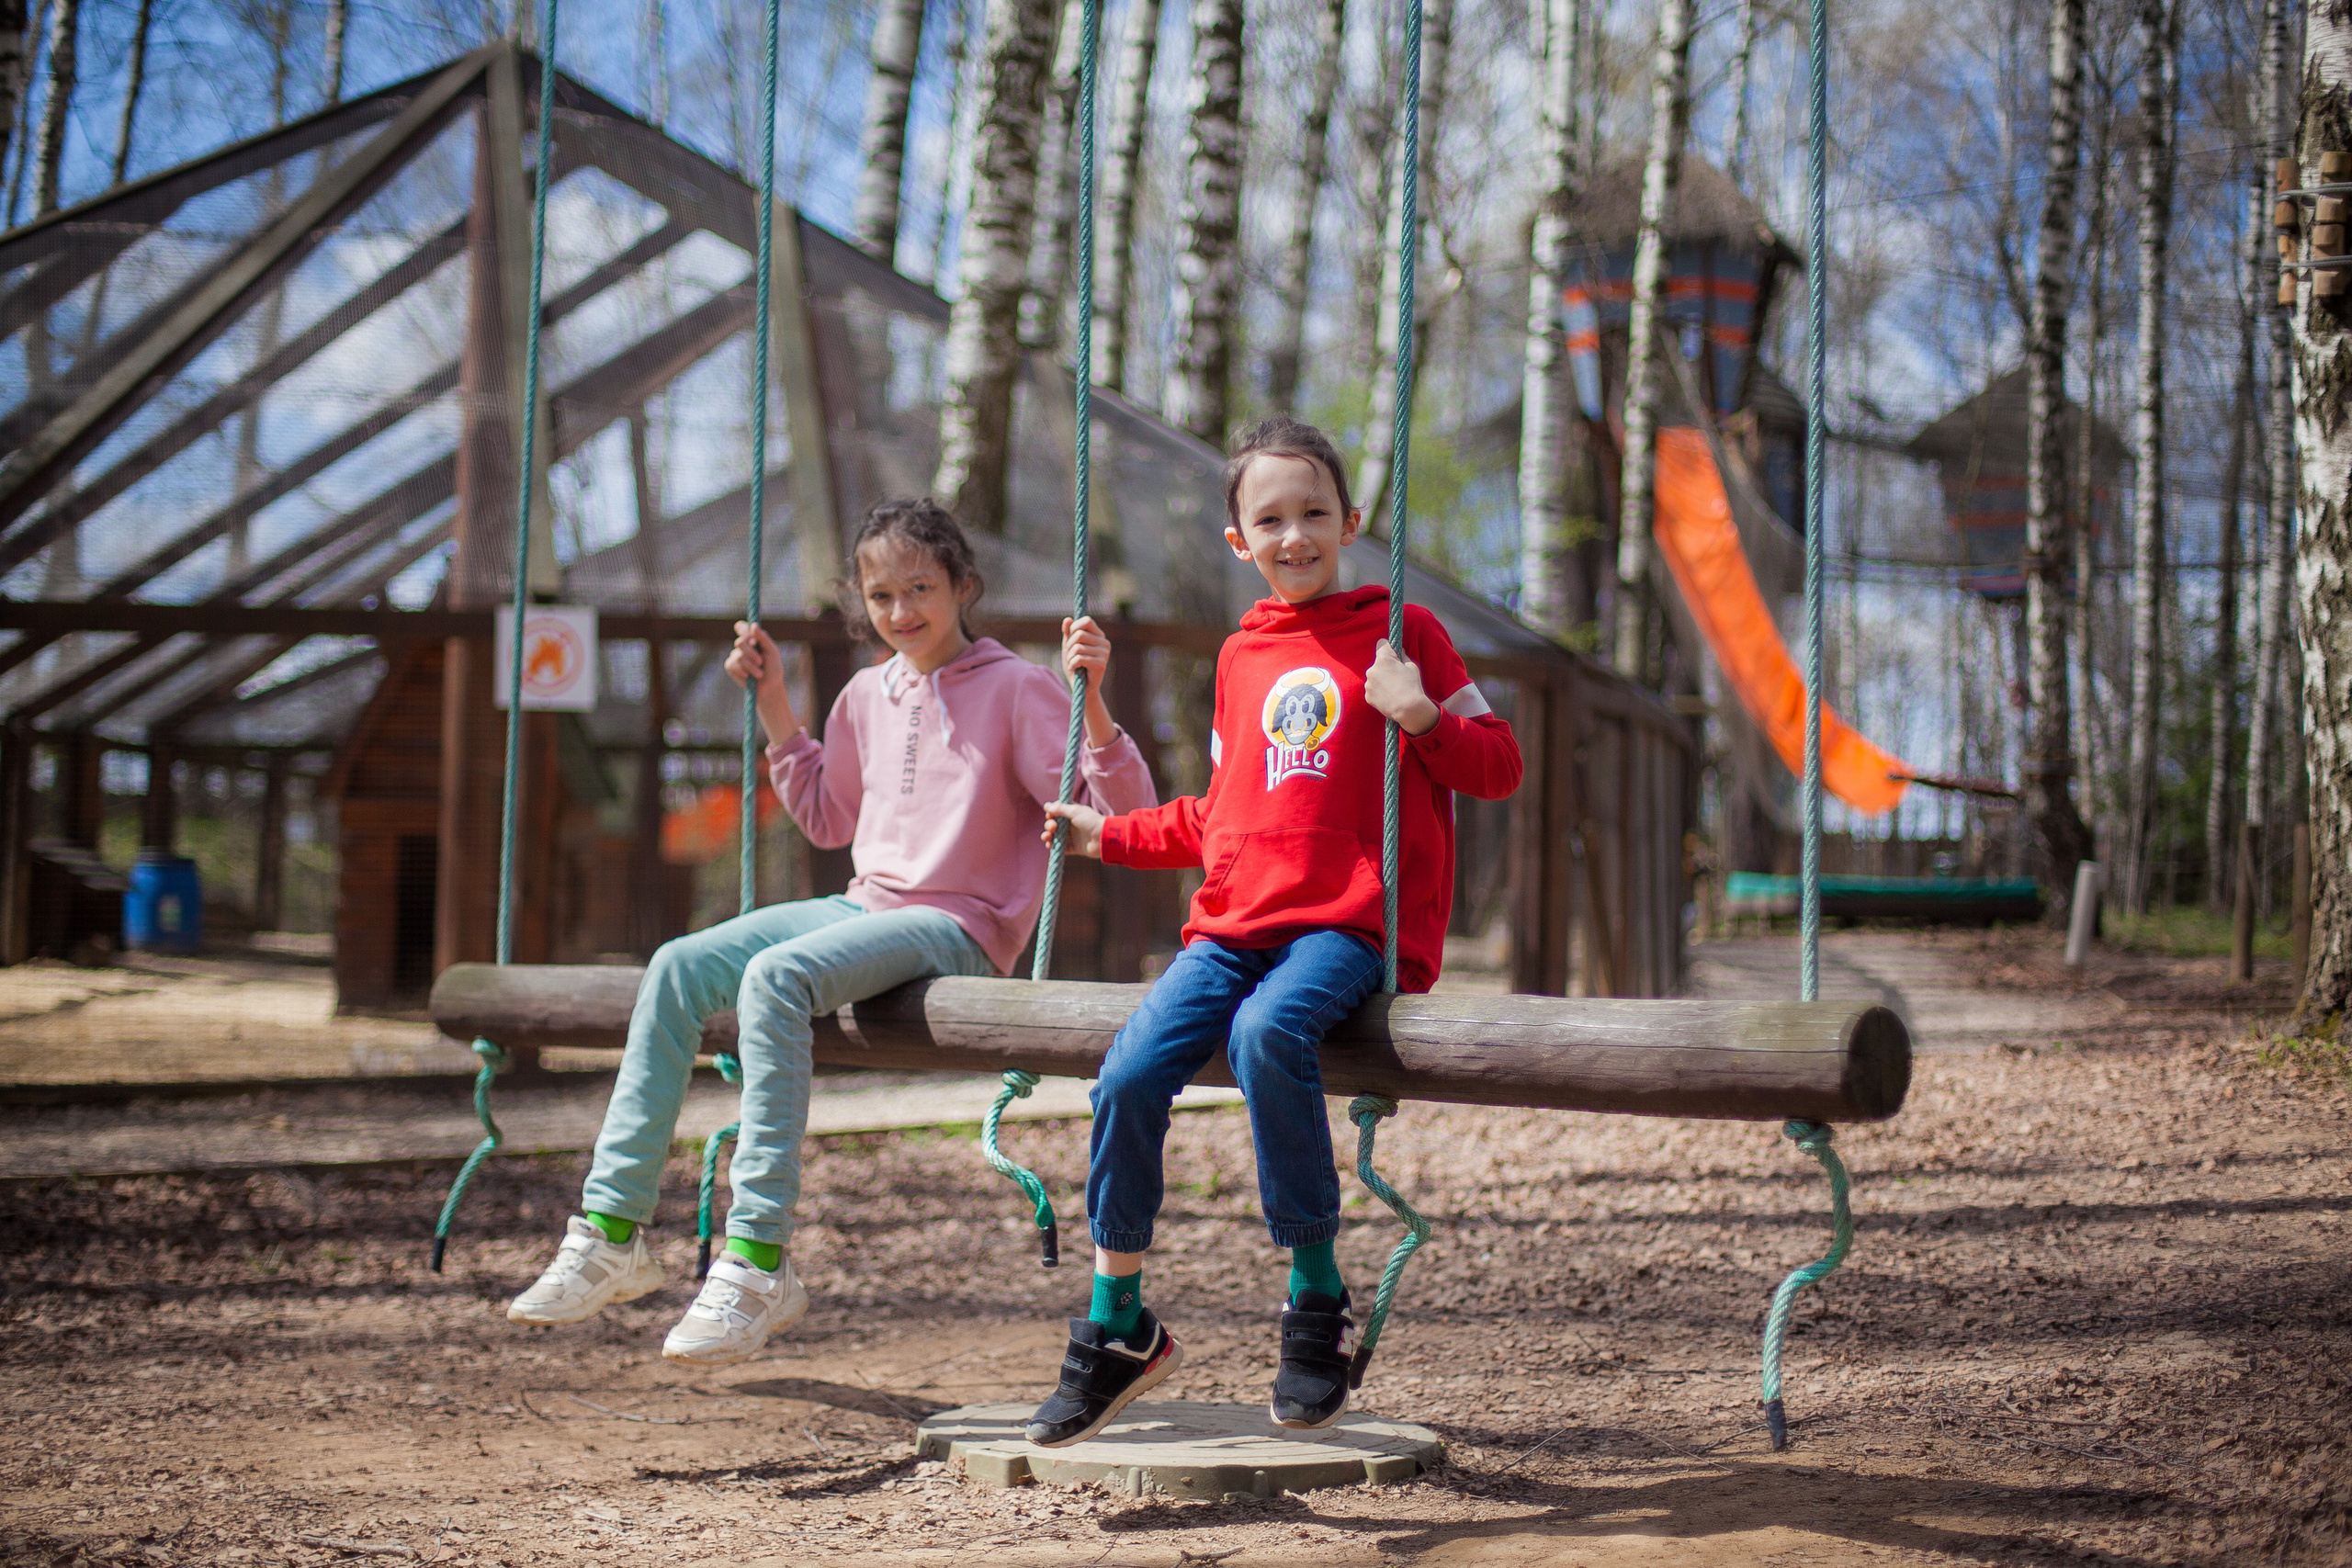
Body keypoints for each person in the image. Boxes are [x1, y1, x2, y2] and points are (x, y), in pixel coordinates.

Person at [506, 498, 1158, 1365]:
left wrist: (1094, 701)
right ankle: (610, 1228)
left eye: (919, 588)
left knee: (775, 977)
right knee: (675, 964)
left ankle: (757, 1256)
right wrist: (775, 700)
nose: (900, 611)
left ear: (963, 585)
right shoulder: (864, 694)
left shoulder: (1019, 687)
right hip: (864, 907)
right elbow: (824, 816)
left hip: (959, 923)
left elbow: (1128, 813)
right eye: (880, 596)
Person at [1023, 416, 1522, 1445]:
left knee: (1265, 1033)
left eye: (1313, 513)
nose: (1295, 535)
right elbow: (1224, 817)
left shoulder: (1404, 633)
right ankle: (1119, 1320)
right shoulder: (1241, 656)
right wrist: (1109, 835)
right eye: (1270, 520)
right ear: (1238, 541)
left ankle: (1314, 1294)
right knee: (1126, 1073)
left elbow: (1499, 766)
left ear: (1350, 521)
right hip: (1235, 923)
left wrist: (1421, 716)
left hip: (1349, 921)